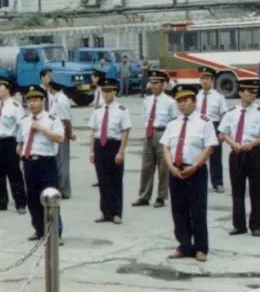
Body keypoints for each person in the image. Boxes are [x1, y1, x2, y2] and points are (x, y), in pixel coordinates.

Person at [161, 86, 218, 261]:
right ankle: (184, 245)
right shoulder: (173, 123)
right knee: (178, 211)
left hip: (195, 171)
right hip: (176, 171)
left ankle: (200, 248)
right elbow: (166, 147)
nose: (182, 104)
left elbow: (209, 147)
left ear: (194, 101)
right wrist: (171, 167)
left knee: (197, 211)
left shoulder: (204, 122)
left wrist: (195, 166)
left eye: (186, 100)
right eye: (179, 101)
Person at [219, 79, 260, 236]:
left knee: (257, 191)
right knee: (237, 192)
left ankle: (256, 225)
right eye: (249, 92)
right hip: (236, 154)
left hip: (254, 153)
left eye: (255, 92)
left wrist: (253, 144)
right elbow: (223, 133)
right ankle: (239, 225)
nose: (252, 95)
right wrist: (233, 143)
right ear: (241, 92)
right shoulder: (231, 112)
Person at [18, 86, 65, 241]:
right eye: (29, 100)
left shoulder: (52, 119)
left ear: (43, 101)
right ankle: (39, 229)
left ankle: (55, 232)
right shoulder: (24, 120)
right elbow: (20, 142)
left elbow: (59, 138)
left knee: (50, 197)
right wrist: (22, 154)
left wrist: (42, 129)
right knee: (32, 198)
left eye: (36, 100)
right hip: (29, 163)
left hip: (46, 162)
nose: (32, 104)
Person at [88, 78, 130, 224]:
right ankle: (105, 212)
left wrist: (121, 151)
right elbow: (93, 131)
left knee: (115, 180)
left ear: (115, 92)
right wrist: (91, 151)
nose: (106, 94)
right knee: (102, 180)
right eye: (104, 91)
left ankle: (116, 212)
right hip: (100, 146)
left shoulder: (122, 110)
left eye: (109, 91)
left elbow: (125, 132)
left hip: (114, 145)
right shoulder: (98, 110)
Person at [133, 69, 177, 208]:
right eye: (151, 83)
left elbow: (174, 121)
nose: (153, 86)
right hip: (150, 132)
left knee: (163, 166)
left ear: (163, 84)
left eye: (156, 83)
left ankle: (161, 196)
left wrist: (170, 140)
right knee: (146, 165)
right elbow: (146, 117)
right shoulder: (147, 100)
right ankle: (144, 196)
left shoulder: (170, 102)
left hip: (163, 133)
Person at [0, 78, 27, 215]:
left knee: (14, 174)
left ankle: (21, 203)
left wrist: (20, 143)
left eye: (0, 87)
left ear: (8, 89)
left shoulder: (15, 106)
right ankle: (1, 202)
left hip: (10, 142)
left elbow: (22, 125)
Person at [195, 66, 228, 193]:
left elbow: (224, 115)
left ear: (212, 80)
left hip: (214, 126)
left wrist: (222, 132)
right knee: (198, 155)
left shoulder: (218, 97)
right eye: (202, 78)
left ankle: (217, 182)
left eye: (207, 78)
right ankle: (197, 181)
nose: (204, 81)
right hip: (199, 127)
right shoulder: (196, 97)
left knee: (215, 157)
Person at [47, 79, 74, 199]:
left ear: (52, 88)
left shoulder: (60, 101)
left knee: (62, 162)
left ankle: (63, 189)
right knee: (59, 161)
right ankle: (62, 188)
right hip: (57, 132)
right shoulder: (57, 98)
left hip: (61, 133)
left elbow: (66, 120)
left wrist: (70, 132)